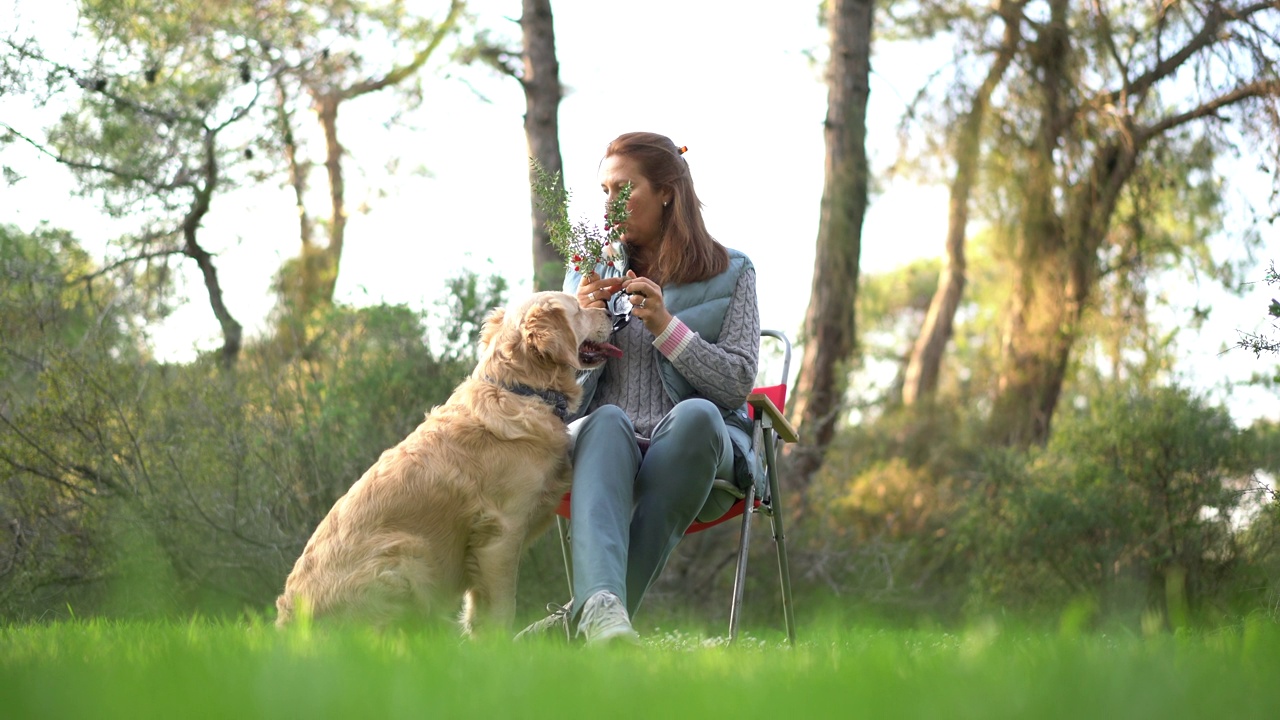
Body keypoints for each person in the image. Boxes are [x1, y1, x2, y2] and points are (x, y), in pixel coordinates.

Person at [516, 131, 761, 645]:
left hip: (696, 460)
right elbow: (559, 387)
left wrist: (665, 327)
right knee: (607, 420)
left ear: (667, 191)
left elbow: (737, 385)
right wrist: (580, 334)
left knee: (699, 415)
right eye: (604, 192)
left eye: (622, 190)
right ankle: (603, 619)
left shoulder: (732, 271)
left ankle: (577, 621)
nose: (610, 205)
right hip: (605, 458)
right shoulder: (590, 269)